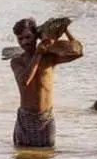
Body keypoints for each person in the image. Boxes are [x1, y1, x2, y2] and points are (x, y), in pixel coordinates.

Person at [10, 18, 83, 148]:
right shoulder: (17, 61)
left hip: (46, 118)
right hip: (25, 119)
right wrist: (38, 53)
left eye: (28, 37)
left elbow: (78, 52)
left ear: (36, 36)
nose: (24, 42)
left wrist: (64, 29)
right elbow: (25, 81)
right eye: (20, 39)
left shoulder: (50, 57)